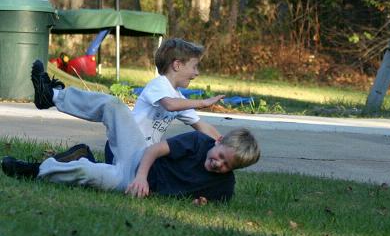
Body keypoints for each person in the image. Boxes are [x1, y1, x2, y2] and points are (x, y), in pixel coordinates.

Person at [1, 60, 260, 203]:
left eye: (227, 165)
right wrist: (142, 178)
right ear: (218, 140)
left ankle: (36, 170)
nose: (219, 164)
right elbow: (155, 150)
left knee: (87, 173)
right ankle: (52, 96)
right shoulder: (199, 143)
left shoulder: (224, 187)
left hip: (126, 179)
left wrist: (200, 203)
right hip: (138, 155)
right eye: (221, 156)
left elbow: (209, 200)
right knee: (114, 105)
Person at [105, 38, 224, 164]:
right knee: (109, 174)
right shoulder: (159, 84)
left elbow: (201, 126)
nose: (197, 73)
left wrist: (224, 144)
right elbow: (170, 104)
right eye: (194, 67)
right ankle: (88, 160)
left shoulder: (178, 98)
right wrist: (202, 103)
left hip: (140, 153)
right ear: (177, 65)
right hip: (121, 146)